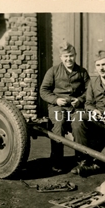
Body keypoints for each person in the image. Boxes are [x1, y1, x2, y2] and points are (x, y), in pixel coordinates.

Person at [40, 40, 90, 173]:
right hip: (58, 107)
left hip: (76, 108)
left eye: (71, 56)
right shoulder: (53, 71)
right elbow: (43, 91)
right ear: (61, 57)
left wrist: (80, 100)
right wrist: (56, 100)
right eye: (66, 56)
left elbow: (89, 91)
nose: (69, 59)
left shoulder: (82, 72)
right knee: (59, 123)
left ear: (75, 55)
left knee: (79, 124)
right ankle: (56, 161)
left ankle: (82, 160)